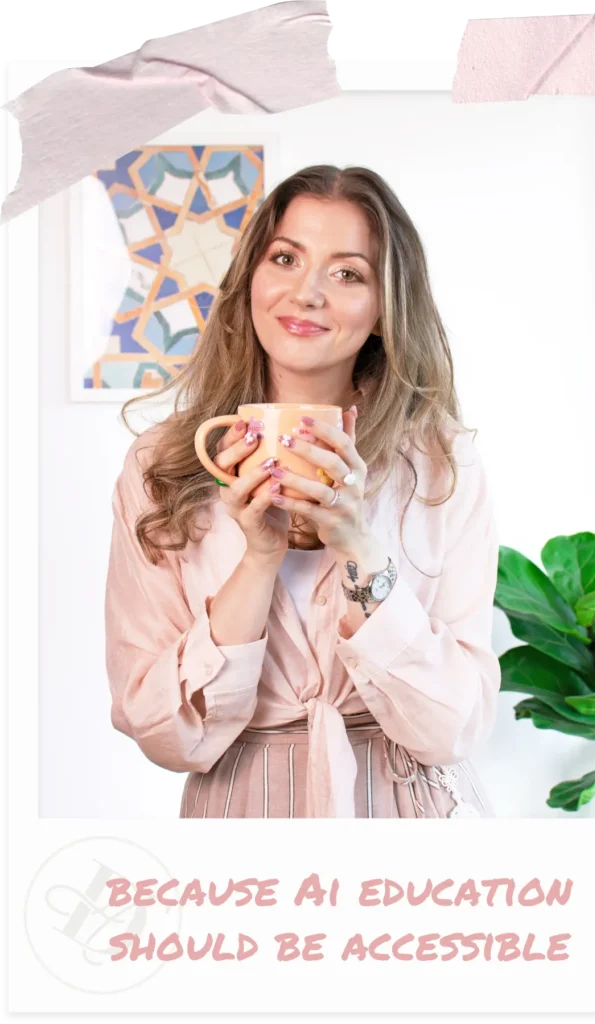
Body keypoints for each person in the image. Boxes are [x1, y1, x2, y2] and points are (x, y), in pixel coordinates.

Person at [105, 164, 501, 819]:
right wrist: (258, 558)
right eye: (284, 258)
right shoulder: (163, 466)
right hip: (239, 818)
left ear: (383, 309)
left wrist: (356, 544)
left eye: (347, 272)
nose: (306, 292)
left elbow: (453, 726)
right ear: (250, 281)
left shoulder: (439, 464)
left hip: (411, 816)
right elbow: (160, 729)